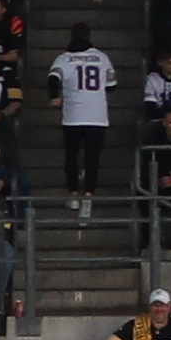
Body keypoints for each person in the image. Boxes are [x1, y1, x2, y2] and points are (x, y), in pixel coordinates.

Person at [50, 25, 118, 216]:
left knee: (71, 156)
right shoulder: (102, 57)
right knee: (92, 159)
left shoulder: (64, 58)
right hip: (96, 116)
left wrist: (53, 97)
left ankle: (73, 195)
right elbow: (112, 85)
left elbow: (52, 79)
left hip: (72, 115)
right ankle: (88, 197)